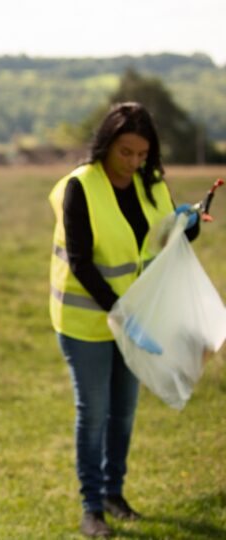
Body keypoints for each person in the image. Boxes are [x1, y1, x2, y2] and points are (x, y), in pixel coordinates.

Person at [49, 102, 200, 537]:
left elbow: (167, 237)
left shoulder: (152, 185)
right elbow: (80, 261)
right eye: (125, 153)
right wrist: (121, 313)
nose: (133, 163)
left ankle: (115, 493)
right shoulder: (80, 187)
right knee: (94, 412)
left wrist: (190, 223)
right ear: (106, 146)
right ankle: (92, 507)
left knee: (124, 413)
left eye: (142, 155)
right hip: (87, 322)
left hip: (137, 319)